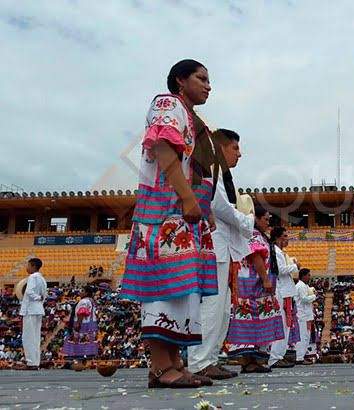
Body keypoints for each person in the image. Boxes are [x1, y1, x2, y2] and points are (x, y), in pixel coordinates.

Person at [120, 59, 218, 388]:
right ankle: (161, 365)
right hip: (165, 207)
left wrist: (200, 205)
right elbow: (162, 147)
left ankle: (174, 362)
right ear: (180, 80)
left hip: (181, 211)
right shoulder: (167, 103)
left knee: (181, 288)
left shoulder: (190, 116)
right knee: (164, 286)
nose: (208, 85)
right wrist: (188, 198)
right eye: (201, 78)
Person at [188, 128, 253, 380]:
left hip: (223, 246)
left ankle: (211, 358)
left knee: (222, 309)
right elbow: (217, 205)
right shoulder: (210, 169)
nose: (239, 154)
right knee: (211, 307)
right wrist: (246, 221)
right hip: (212, 244)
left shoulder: (222, 175)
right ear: (221, 147)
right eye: (235, 148)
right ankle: (198, 362)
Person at [225, 204, 284, 373]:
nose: (268, 222)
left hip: (253, 282)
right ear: (256, 218)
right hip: (253, 283)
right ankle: (249, 360)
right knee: (252, 318)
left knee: (257, 319)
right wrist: (265, 279)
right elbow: (256, 256)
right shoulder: (253, 235)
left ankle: (254, 360)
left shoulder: (258, 235)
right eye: (265, 219)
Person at [268, 226, 301, 369]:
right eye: (285, 236)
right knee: (281, 324)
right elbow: (279, 270)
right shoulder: (275, 251)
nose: (288, 238)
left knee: (286, 325)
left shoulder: (280, 252)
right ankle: (275, 357)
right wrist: (295, 266)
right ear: (279, 238)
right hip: (281, 291)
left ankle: (279, 355)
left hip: (286, 291)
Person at [16, 258, 47, 370]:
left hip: (30, 310)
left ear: (33, 266)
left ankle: (30, 363)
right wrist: (40, 299)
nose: (26, 267)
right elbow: (44, 295)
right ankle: (35, 362)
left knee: (28, 337)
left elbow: (29, 292)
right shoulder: (42, 279)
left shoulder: (33, 277)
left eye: (28, 265)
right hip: (38, 309)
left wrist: (37, 298)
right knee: (35, 337)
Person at [61, 285, 99, 362]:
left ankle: (79, 358)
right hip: (90, 323)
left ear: (86, 293)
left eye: (82, 291)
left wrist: (78, 323)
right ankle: (85, 358)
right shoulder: (91, 300)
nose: (80, 292)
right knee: (87, 342)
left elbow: (82, 312)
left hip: (82, 324)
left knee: (79, 340)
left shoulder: (84, 301)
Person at [294, 268, 316, 365]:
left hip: (305, 314)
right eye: (308, 275)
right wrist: (314, 296)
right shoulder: (301, 286)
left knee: (306, 336)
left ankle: (301, 356)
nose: (309, 277)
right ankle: (299, 357)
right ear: (303, 276)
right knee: (303, 336)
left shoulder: (304, 286)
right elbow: (304, 299)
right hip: (302, 314)